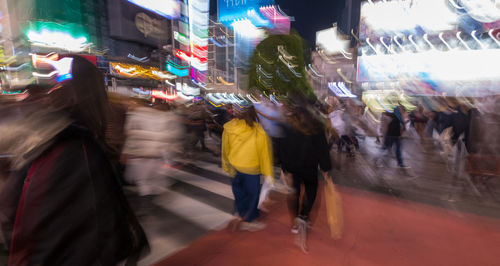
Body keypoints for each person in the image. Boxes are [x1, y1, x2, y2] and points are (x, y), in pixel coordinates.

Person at [0, 55, 148, 265]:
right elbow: (92, 221)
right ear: (94, 95)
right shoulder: (74, 145)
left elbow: (12, 208)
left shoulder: (47, 134)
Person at [279, 104, 332, 244]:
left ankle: (294, 222)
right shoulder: (316, 127)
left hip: (292, 166)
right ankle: (304, 215)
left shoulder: (289, 126)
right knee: (311, 191)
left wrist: (284, 168)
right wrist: (325, 167)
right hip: (310, 166)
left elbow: (282, 148)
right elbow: (323, 149)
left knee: (294, 193)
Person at [221, 103, 273, 232]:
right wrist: (268, 174)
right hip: (251, 169)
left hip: (235, 166)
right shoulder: (258, 130)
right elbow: (264, 154)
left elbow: (225, 148)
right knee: (253, 195)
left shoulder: (229, 128)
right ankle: (249, 220)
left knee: (239, 193)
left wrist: (226, 165)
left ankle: (240, 212)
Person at [122, 100, 183, 196]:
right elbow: (171, 134)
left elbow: (129, 135)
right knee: (154, 179)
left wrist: (126, 152)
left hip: (140, 152)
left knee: (142, 180)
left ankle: (146, 199)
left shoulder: (134, 116)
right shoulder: (161, 116)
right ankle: (152, 197)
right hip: (156, 152)